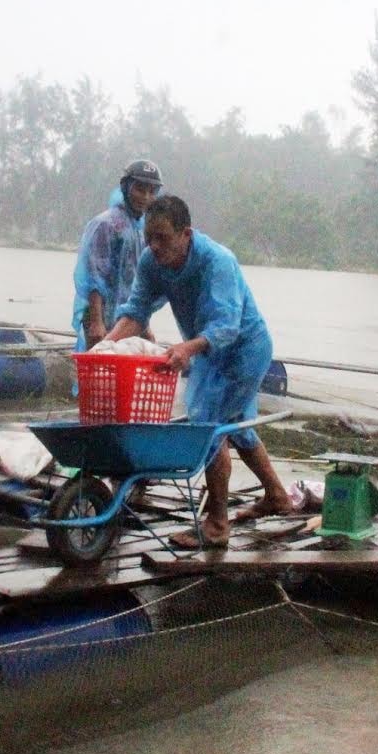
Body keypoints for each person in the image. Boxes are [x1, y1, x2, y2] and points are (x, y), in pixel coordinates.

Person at [104, 195, 292, 549]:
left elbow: (226, 326)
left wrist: (187, 348)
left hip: (244, 349)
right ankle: (277, 495)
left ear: (186, 233)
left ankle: (218, 523)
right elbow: (136, 312)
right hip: (206, 348)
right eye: (149, 238)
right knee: (234, 424)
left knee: (208, 425)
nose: (155, 247)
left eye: (163, 238)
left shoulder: (217, 261)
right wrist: (103, 348)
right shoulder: (152, 262)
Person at [72, 159, 164, 351]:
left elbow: (138, 284)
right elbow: (94, 275)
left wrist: (144, 325)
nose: (145, 197)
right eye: (140, 189)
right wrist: (97, 322)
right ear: (126, 187)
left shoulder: (142, 229)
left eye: (151, 191)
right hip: (101, 315)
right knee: (98, 371)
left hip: (127, 319)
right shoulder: (106, 224)